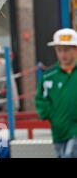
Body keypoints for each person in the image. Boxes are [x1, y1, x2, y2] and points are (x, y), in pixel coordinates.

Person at [35, 28, 77, 158]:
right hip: (58, 131)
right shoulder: (49, 76)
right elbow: (41, 99)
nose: (63, 54)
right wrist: (52, 116)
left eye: (67, 49)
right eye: (59, 50)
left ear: (75, 49)